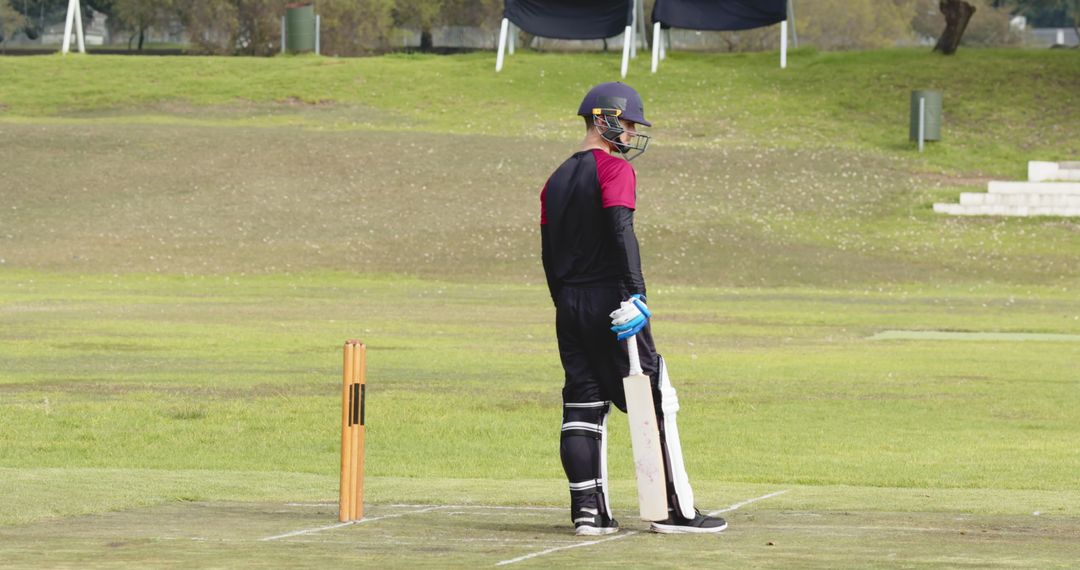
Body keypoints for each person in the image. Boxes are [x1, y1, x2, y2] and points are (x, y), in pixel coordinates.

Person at [539, 82, 728, 535]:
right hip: (614, 300)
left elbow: (548, 251)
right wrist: (636, 293)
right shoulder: (613, 171)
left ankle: (589, 513)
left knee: (582, 404)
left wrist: (563, 302)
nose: (630, 133)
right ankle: (672, 512)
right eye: (626, 123)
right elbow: (621, 230)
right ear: (605, 119)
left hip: (569, 302)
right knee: (655, 401)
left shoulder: (556, 179)